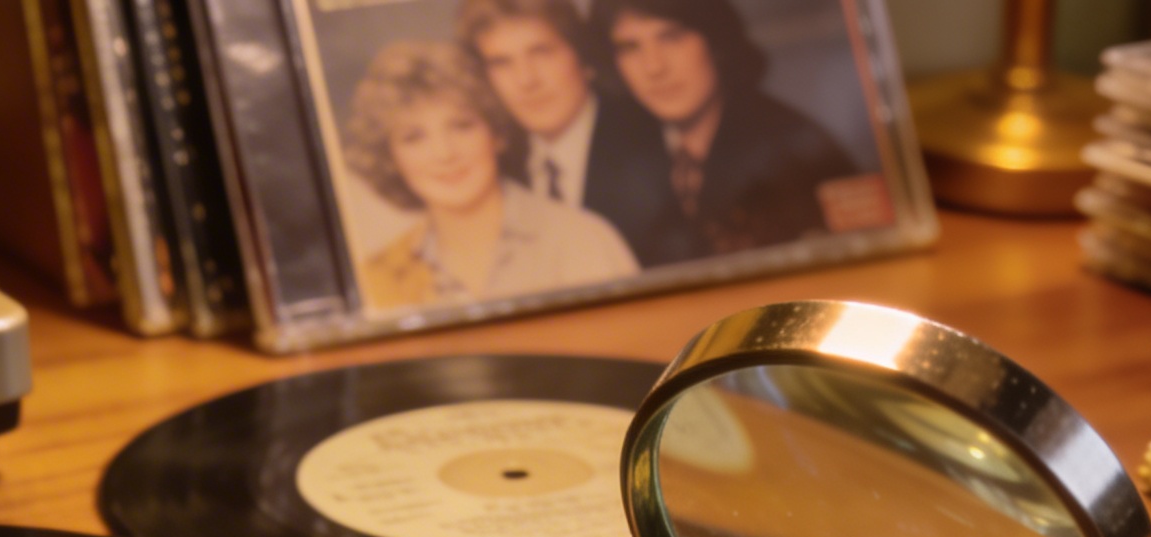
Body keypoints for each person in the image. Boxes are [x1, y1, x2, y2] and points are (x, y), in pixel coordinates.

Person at [343, 41, 639, 311]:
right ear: (389, 157)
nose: (444, 153)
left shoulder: (582, 241)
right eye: (413, 137)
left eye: (461, 126)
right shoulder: (379, 278)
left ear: (496, 132)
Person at [590, 0, 857, 263]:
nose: (654, 67)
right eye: (629, 48)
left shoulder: (796, 152)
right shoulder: (619, 160)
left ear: (716, 41)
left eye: (672, 37)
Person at [456, 0, 680, 268]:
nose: (526, 80)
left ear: (582, 56)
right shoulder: (494, 169)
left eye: (542, 53)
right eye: (502, 63)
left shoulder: (659, 144)